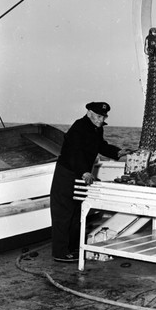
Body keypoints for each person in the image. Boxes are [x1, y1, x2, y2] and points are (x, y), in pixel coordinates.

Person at [50, 101, 131, 262]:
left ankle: (72, 248)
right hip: (67, 174)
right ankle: (59, 252)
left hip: (81, 174)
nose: (101, 120)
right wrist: (84, 172)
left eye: (104, 117)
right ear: (89, 113)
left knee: (76, 212)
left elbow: (100, 145)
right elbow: (75, 153)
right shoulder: (79, 128)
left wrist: (119, 152)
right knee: (63, 213)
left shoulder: (96, 128)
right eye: (99, 116)